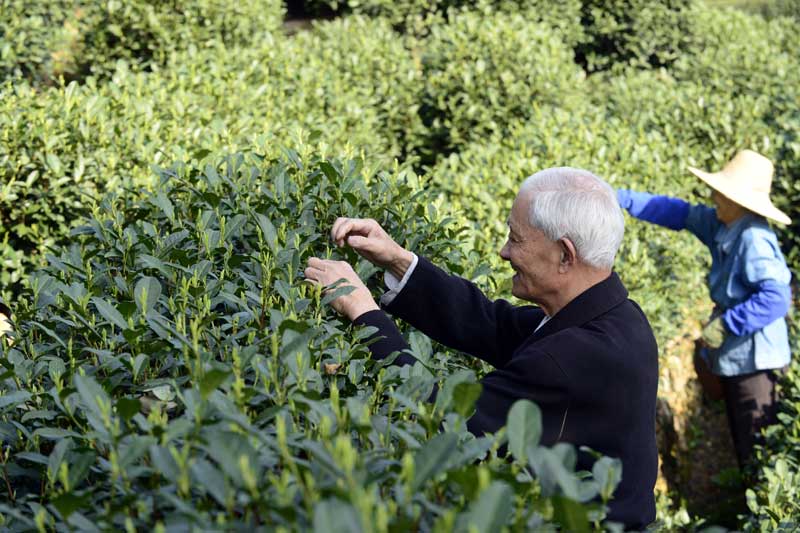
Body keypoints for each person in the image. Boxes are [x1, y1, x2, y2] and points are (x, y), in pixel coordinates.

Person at [304, 167, 658, 529]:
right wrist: (397, 258)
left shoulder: (573, 359)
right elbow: (492, 324)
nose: (504, 252)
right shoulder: (613, 314)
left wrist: (363, 312)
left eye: (516, 239)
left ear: (565, 255)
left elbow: (447, 422)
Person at [616, 149, 792, 470]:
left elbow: (776, 298)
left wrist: (727, 325)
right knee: (743, 437)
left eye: (722, 192)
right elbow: (677, 213)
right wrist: (620, 198)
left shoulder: (753, 238)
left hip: (757, 363)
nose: (714, 196)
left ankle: (755, 512)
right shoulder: (722, 224)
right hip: (740, 356)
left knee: (757, 448)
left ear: (740, 201)